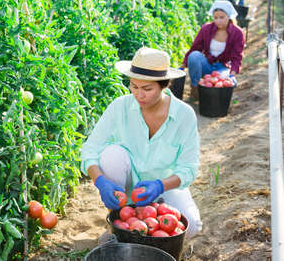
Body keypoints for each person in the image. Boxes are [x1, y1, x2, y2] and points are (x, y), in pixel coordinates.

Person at [80, 47, 203, 238]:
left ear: (164, 85)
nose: (139, 95)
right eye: (134, 86)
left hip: (164, 187)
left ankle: (128, 225)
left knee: (192, 227)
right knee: (111, 154)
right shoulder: (119, 107)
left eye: (147, 89)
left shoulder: (183, 115)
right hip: (126, 192)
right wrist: (101, 181)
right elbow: (90, 150)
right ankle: (119, 217)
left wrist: (160, 185)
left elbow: (189, 168)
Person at [171, 0, 245, 100]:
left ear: (229, 16)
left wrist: (232, 75)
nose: (218, 21)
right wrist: (182, 66)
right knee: (194, 55)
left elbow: (237, 56)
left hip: (222, 68)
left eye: (222, 17)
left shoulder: (237, 33)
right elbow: (195, 48)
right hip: (206, 65)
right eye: (216, 18)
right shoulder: (206, 29)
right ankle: (195, 88)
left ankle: (213, 97)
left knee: (222, 83)